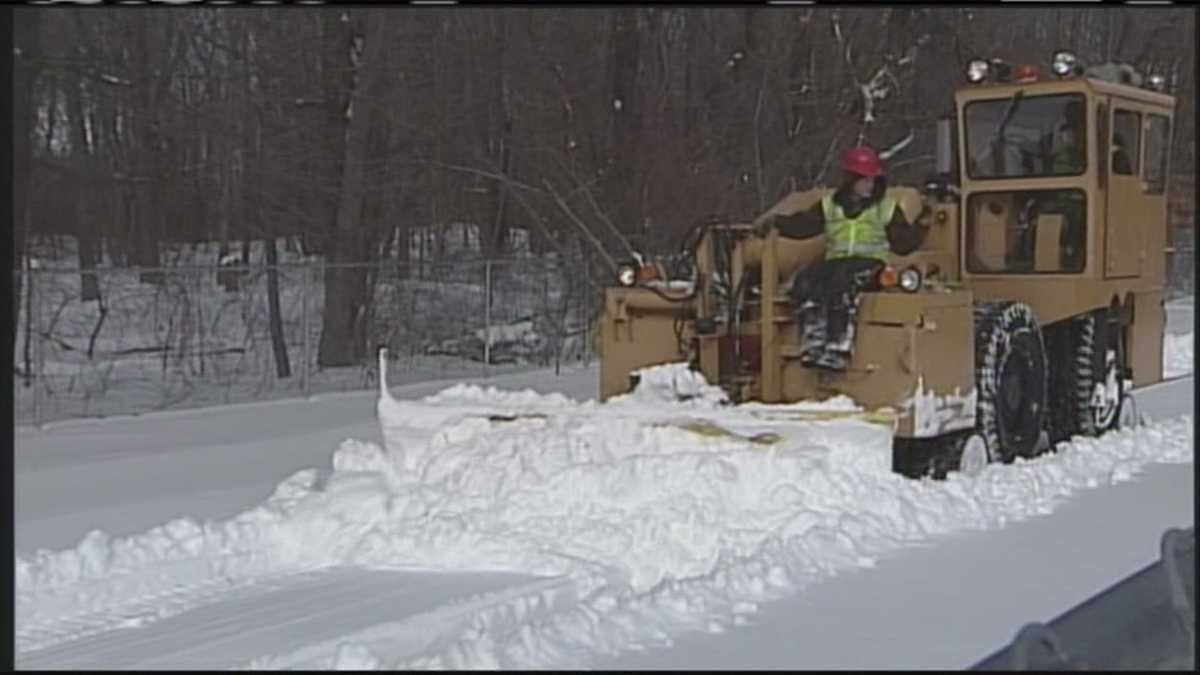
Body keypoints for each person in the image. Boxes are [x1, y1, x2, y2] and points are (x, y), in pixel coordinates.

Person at [752, 146, 930, 371]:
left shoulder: (885, 208)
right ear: (851, 180)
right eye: (865, 180)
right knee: (807, 280)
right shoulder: (830, 206)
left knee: (841, 284)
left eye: (873, 180)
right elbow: (804, 225)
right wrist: (776, 222)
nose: (870, 185)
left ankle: (837, 346)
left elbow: (903, 244)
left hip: (870, 264)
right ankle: (813, 343)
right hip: (837, 262)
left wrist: (922, 227)